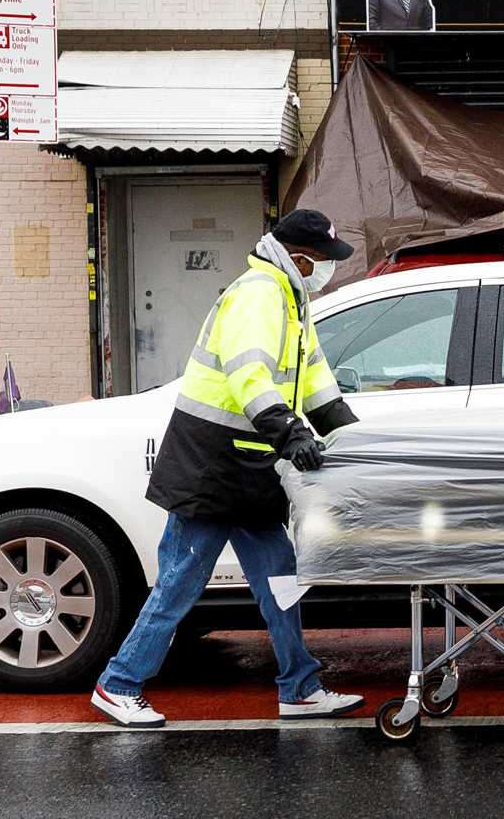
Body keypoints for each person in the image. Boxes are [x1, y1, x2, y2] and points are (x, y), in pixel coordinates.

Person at [91, 209, 364, 728]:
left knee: (281, 577)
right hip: (211, 466)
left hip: (246, 467)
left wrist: (347, 432)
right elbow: (248, 373)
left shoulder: (289, 298)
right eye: (326, 260)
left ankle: (300, 687)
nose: (330, 268)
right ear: (302, 259)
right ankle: (118, 684)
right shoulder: (259, 293)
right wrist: (291, 432)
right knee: (181, 582)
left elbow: (314, 380)